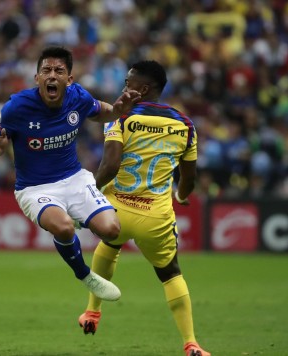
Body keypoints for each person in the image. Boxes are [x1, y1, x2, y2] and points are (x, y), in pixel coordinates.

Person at [0, 46, 141, 305]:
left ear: (69, 79)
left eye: (59, 71)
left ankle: (76, 218)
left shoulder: (78, 97)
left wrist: (118, 110)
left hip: (75, 179)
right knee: (64, 227)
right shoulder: (16, 107)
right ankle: (84, 274)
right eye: (46, 70)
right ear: (37, 78)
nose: (52, 76)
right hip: (35, 188)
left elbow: (105, 112)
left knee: (111, 230)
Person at [79, 60, 210, 356]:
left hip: (118, 210)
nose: (124, 87)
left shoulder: (121, 116)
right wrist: (182, 194)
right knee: (171, 273)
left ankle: (92, 312)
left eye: (129, 83)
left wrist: (88, 191)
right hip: (156, 216)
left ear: (143, 88)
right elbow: (189, 178)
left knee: (110, 244)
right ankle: (191, 342)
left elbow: (110, 165)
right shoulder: (184, 124)